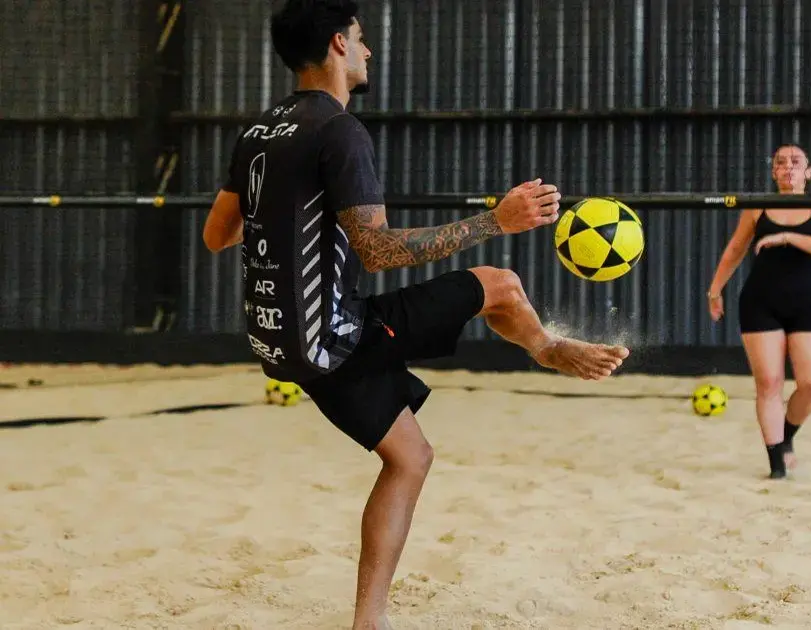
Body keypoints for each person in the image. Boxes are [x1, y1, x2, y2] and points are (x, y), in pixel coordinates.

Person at [200, 1, 629, 628]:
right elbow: (376, 252)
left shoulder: (261, 131)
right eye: (360, 38)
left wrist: (290, 219)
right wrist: (496, 220)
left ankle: (368, 622)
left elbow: (217, 235)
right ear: (338, 44)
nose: (368, 50)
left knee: (410, 457)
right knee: (501, 284)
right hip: (331, 337)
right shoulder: (340, 130)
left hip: (278, 341)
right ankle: (547, 348)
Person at [705, 144, 811, 480]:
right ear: (773, 172)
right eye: (781, 162)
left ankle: (786, 437)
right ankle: (777, 467)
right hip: (759, 302)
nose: (788, 167)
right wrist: (715, 290)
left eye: (796, 162)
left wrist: (788, 237)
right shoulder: (758, 207)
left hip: (803, 304)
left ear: (808, 172)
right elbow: (735, 249)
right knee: (769, 383)